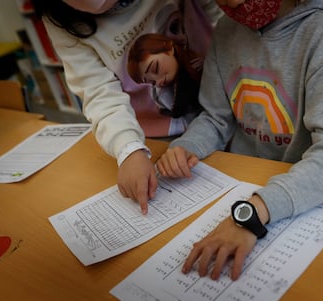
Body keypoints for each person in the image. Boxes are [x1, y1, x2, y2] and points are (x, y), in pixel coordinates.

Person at [156, 0, 323, 281]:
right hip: (247, 182)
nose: (231, 3)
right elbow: (216, 117)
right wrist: (186, 145)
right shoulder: (227, 31)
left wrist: (254, 212)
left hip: (304, 194)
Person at [31, 0, 223, 214]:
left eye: (156, 69)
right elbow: (98, 94)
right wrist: (128, 149)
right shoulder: (59, 18)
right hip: (153, 139)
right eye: (149, 81)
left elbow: (221, 15)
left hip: (221, 109)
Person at [127, 32, 203, 119]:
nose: (159, 82)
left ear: (169, 49)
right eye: (152, 82)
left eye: (155, 68)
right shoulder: (165, 95)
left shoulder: (196, 50)